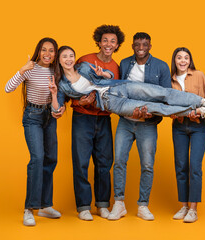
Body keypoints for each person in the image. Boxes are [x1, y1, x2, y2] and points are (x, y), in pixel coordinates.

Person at [52, 25, 125, 221]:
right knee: (81, 162)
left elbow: (116, 94)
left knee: (104, 163)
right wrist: (77, 102)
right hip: (82, 118)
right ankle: (83, 206)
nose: (108, 44)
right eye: (105, 40)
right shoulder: (84, 61)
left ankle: (102, 205)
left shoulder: (116, 67)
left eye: (112, 41)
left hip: (104, 119)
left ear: (117, 44)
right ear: (99, 42)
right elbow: (70, 87)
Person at [50, 46, 205, 124]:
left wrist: (104, 73)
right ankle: (198, 111)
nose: (69, 59)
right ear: (59, 59)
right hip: (111, 103)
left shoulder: (84, 66)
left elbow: (105, 76)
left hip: (117, 87)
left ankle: (201, 101)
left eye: (71, 55)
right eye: (64, 56)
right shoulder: (62, 85)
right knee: (156, 107)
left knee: (162, 93)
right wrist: (53, 93)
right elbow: (56, 109)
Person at [108, 32, 171, 221]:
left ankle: (143, 205)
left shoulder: (161, 66)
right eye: (137, 44)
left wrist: (151, 114)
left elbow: (165, 96)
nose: (141, 47)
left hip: (148, 125)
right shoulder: (125, 64)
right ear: (133, 46)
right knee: (118, 161)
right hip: (126, 122)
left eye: (145, 44)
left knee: (147, 165)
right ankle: (119, 204)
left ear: (150, 46)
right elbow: (117, 92)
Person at [5, 37, 64, 226]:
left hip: (49, 116)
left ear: (55, 54)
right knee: (37, 158)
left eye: (52, 51)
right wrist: (22, 69)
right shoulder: (30, 68)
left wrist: (59, 108)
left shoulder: (56, 71)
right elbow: (8, 88)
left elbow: (58, 97)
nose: (48, 54)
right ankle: (29, 209)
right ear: (38, 51)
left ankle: (45, 205)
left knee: (50, 158)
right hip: (32, 116)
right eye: (44, 50)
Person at [170, 47, 205, 223]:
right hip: (179, 127)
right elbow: (167, 105)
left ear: (190, 60)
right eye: (179, 57)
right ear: (174, 60)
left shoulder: (199, 75)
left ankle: (193, 210)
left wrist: (199, 112)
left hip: (198, 127)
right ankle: (184, 206)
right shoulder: (170, 80)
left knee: (195, 167)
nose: (182, 61)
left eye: (186, 58)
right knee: (181, 166)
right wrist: (176, 114)